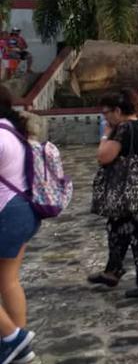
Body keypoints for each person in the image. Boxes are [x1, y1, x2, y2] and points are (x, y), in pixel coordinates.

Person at [89, 90, 138, 298]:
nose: (105, 117)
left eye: (106, 112)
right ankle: (113, 271)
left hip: (131, 189)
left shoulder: (122, 128)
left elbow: (104, 156)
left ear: (118, 111)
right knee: (117, 226)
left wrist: (105, 134)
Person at [0, 87, 41, 364]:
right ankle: (17, 347)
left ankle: (13, 337)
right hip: (24, 210)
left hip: (6, 213)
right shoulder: (13, 131)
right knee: (9, 281)